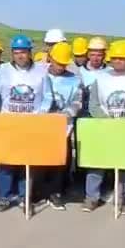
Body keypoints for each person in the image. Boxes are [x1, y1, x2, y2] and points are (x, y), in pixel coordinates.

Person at [83, 40, 125, 214]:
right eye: (115, 58)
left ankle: (121, 199)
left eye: (122, 58)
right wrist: (106, 120)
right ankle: (92, 198)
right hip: (104, 127)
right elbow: (93, 104)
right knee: (97, 163)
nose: (118, 61)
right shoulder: (101, 78)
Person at [0, 34, 53, 211]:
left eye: (24, 52)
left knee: (27, 162)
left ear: (30, 52)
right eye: (17, 52)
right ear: (12, 53)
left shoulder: (41, 71)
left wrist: (41, 114)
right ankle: (4, 196)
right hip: (8, 122)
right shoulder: (3, 69)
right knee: (6, 161)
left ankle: (24, 197)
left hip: (32, 123)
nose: (20, 56)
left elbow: (48, 96)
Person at [43, 42, 83, 210]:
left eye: (63, 64)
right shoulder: (40, 75)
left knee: (60, 162)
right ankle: (39, 191)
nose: (60, 67)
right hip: (41, 126)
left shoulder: (74, 80)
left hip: (63, 127)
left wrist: (65, 114)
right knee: (39, 161)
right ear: (50, 58)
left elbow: (77, 102)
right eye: (57, 62)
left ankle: (56, 193)